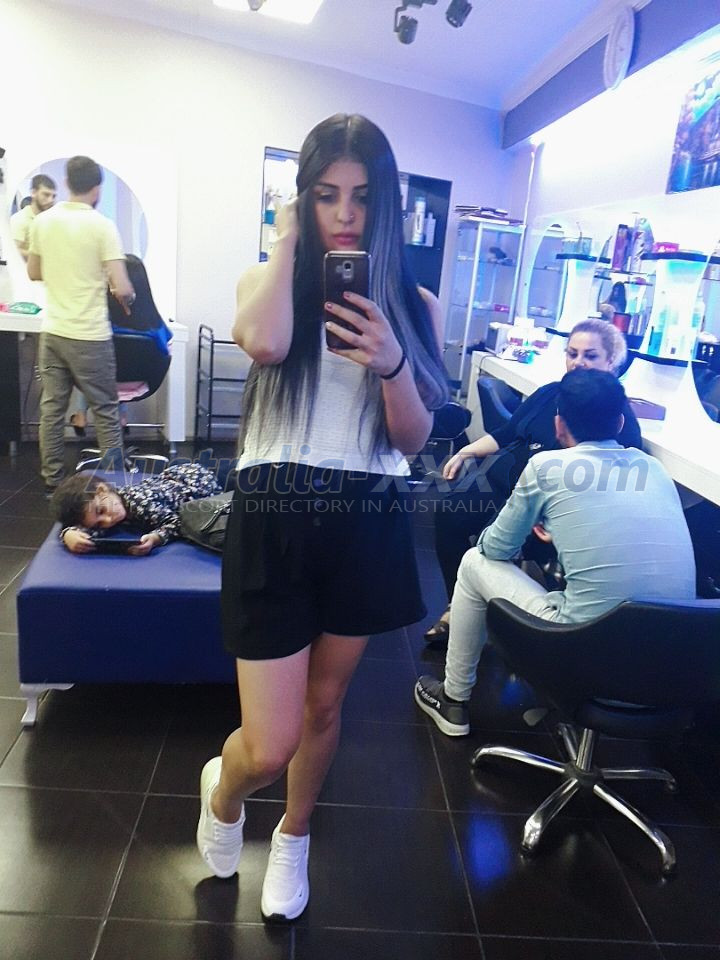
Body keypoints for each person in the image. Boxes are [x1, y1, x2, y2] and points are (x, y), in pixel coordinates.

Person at [196, 114, 448, 921]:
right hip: (275, 511)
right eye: (327, 194)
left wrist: (393, 362)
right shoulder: (268, 282)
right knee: (267, 744)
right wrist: (286, 243)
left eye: (363, 196)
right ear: (303, 198)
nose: (345, 213)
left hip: (367, 519)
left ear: (387, 204)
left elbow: (411, 440)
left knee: (326, 707)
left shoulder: (416, 305)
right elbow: (266, 345)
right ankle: (224, 793)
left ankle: (294, 837)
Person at [414, 368, 696, 736]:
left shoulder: (548, 466)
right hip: (671, 671)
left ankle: (453, 700)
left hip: (583, 656)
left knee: (473, 562)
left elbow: (495, 548)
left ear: (559, 426)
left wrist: (545, 520)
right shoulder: (654, 469)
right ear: (620, 422)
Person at [424, 318, 643, 644]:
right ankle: (458, 603)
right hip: (504, 481)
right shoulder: (550, 393)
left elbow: (611, 481)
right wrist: (466, 451)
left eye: (590, 355)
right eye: (572, 353)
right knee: (449, 515)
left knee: (492, 544)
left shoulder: (612, 413)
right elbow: (507, 433)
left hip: (544, 506)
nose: (578, 362)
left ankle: (486, 617)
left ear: (612, 361)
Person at [27, 156, 134, 495]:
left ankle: (53, 482)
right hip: (90, 335)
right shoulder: (103, 226)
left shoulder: (43, 222)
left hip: (53, 332)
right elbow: (123, 287)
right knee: (105, 410)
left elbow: (34, 272)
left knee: (52, 410)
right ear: (97, 188)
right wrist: (124, 296)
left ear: (67, 183)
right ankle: (115, 486)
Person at [69, 254, 172, 436]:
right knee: (122, 364)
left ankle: (80, 415)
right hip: (140, 385)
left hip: (103, 383)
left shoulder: (100, 321)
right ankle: (122, 417)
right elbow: (165, 353)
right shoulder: (155, 323)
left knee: (90, 363)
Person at [51, 463, 220, 555]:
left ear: (102, 490)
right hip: (168, 481)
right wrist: (68, 534)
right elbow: (89, 525)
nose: (108, 521)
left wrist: (156, 538)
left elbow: (177, 523)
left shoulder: (140, 505)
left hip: (197, 482)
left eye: (101, 511)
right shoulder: (112, 504)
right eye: (99, 524)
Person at [10, 174, 57, 261]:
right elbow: (12, 251)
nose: (51, 200)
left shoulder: (47, 219)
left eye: (53, 196)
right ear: (33, 193)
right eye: (46, 195)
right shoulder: (20, 219)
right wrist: (42, 256)